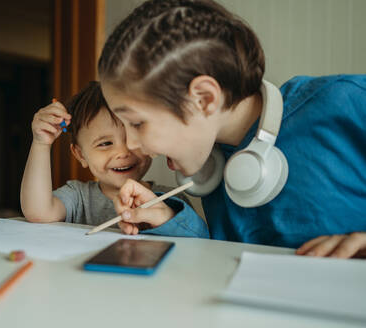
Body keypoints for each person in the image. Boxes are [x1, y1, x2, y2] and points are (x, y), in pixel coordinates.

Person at [97, 0, 366, 258]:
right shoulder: (213, 162)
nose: (130, 144)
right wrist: (167, 220)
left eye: (137, 123)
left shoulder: (343, 102)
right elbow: (223, 259)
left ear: (204, 99)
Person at [20, 81, 191, 227]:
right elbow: (38, 213)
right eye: (105, 143)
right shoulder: (78, 197)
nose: (123, 152)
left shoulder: (173, 200)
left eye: (133, 137)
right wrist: (41, 144)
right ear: (80, 155)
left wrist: (167, 216)